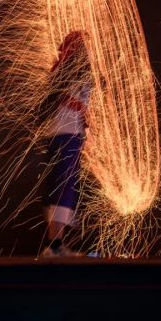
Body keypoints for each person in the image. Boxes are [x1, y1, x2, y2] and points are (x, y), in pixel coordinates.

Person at [38, 31, 91, 257]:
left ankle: (55, 243)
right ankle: (55, 246)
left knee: (56, 189)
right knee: (64, 189)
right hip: (67, 134)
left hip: (58, 134)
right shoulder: (73, 70)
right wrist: (84, 111)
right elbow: (66, 97)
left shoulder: (60, 69)